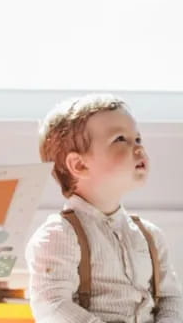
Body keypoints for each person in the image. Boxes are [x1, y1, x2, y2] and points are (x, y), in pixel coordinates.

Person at [25, 94, 183, 322]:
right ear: (79, 165)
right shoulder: (59, 235)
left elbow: (170, 298)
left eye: (137, 139)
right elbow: (52, 305)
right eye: (120, 139)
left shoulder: (150, 235)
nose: (138, 148)